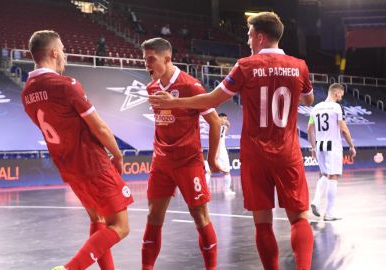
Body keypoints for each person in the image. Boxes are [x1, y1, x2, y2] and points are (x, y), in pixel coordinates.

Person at [149, 12, 315, 270]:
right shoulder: (299, 66)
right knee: (299, 218)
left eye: (249, 35)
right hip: (288, 152)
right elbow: (308, 99)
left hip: (255, 154)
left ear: (260, 36)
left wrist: (175, 102)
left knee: (262, 222)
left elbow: (212, 100)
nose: (248, 41)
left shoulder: (245, 66)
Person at [21, 30, 133, 270]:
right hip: (92, 163)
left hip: (68, 167)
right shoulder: (66, 85)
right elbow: (100, 128)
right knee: (121, 226)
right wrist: (118, 153)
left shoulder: (27, 93)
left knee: (98, 220)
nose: (64, 54)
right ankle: (70, 268)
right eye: (62, 49)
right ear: (53, 52)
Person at [141, 37, 223, 270]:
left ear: (167, 59)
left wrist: (211, 158)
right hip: (161, 162)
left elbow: (215, 122)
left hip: (188, 162)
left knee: (200, 217)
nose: (146, 64)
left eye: (151, 59)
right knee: (153, 216)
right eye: (144, 59)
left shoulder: (190, 86)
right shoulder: (152, 87)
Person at [308, 83, 356, 221]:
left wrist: (313, 147)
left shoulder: (316, 108)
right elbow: (344, 129)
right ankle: (329, 213)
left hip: (320, 146)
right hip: (333, 146)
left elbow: (310, 129)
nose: (341, 96)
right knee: (333, 177)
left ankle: (316, 201)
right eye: (341, 94)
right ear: (336, 93)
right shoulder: (337, 107)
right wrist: (351, 146)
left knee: (325, 175)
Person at [217, 113, 235, 195]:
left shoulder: (223, 126)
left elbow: (225, 134)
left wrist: (228, 126)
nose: (225, 120)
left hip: (219, 149)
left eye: (226, 118)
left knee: (210, 171)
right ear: (219, 118)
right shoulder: (216, 125)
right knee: (227, 171)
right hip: (219, 150)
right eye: (224, 118)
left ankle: (227, 190)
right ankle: (227, 191)